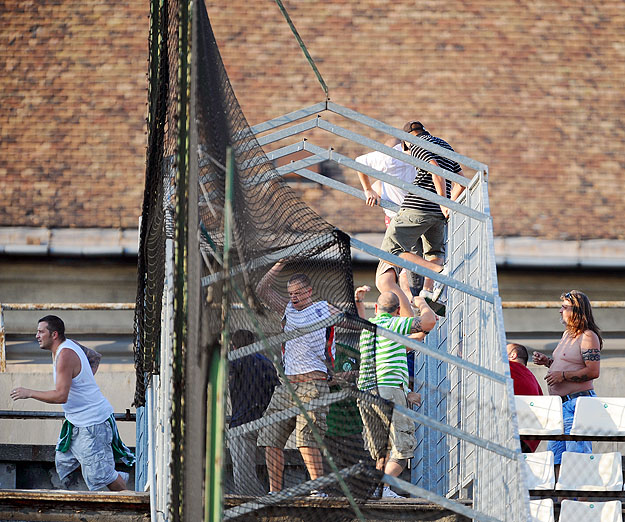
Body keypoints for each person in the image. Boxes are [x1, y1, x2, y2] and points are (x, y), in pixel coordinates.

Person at [10, 315, 134, 491]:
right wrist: (83, 383)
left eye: (40, 332)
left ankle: (128, 498)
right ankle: (106, 476)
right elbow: (94, 357)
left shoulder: (65, 355)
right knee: (63, 462)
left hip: (92, 424)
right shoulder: (69, 345)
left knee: (102, 475)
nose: (36, 336)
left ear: (54, 334)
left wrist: (29, 393)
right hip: (76, 422)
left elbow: (61, 396)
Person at [255, 262, 337, 496]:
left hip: (313, 384)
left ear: (309, 291)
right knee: (269, 437)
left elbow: (349, 320)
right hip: (287, 386)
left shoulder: (324, 308)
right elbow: (262, 290)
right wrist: (279, 263)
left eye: (298, 293)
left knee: (306, 438)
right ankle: (275, 491)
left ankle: (317, 489)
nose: (294, 298)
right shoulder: (287, 309)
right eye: (291, 294)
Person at [355, 287, 436, 498]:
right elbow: (428, 322)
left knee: (383, 449)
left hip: (365, 393)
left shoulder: (368, 328)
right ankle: (382, 487)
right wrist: (421, 303)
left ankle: (380, 491)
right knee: (403, 448)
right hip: (387, 390)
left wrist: (407, 391)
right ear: (398, 311)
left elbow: (411, 341)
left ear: (376, 308)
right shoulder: (394, 324)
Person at [376, 121, 466, 304]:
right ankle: (428, 291)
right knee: (435, 252)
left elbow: (435, 170)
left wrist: (443, 203)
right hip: (437, 215)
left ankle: (438, 272)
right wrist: (448, 205)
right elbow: (461, 182)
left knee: (391, 251)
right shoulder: (444, 144)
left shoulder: (417, 143)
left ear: (406, 141)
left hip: (417, 207)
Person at [532, 290, 602, 466]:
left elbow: (593, 371)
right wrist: (548, 362)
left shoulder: (588, 336)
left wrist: (562, 375)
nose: (560, 311)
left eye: (564, 307)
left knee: (577, 459)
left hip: (577, 404)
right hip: (560, 405)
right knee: (556, 458)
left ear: (576, 310)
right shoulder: (567, 335)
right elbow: (569, 364)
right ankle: (563, 495)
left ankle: (578, 494)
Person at [356, 137, 423, 301]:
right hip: (405, 219)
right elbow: (359, 163)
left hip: (410, 219)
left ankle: (417, 295)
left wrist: (368, 189)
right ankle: (415, 295)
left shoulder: (403, 156)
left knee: (409, 262)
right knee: (405, 263)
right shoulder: (384, 169)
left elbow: (359, 162)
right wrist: (368, 190)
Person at [228, 329, 280, 496]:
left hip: (242, 422)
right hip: (264, 420)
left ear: (234, 346)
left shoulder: (235, 359)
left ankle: (255, 502)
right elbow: (276, 389)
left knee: (243, 472)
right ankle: (267, 495)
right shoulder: (267, 362)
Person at [507, 342, 543, 452]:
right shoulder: (532, 379)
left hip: (514, 434)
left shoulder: (509, 367)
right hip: (531, 438)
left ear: (513, 355)